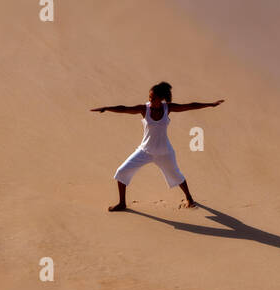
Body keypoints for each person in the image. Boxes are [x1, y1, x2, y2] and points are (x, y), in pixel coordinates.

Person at [91, 82, 224, 211]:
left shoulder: (168, 108)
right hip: (145, 151)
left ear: (161, 99)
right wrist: (107, 108)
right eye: (149, 97)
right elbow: (125, 108)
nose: (150, 100)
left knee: (177, 175)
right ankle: (122, 203)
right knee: (121, 171)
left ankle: (189, 198)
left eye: (153, 98)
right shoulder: (145, 109)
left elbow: (189, 106)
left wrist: (210, 105)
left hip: (165, 152)